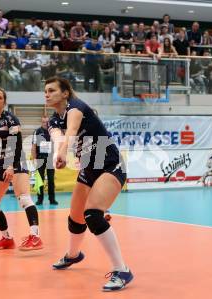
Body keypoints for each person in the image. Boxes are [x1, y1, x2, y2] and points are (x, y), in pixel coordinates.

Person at [44, 77, 133, 291]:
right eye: (45, 91)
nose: (47, 94)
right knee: (75, 217)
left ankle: (122, 270)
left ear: (65, 93)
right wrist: (59, 152)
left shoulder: (77, 106)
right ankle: (73, 255)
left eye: (52, 90)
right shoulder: (54, 119)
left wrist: (64, 152)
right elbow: (58, 136)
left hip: (111, 166)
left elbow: (72, 132)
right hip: (88, 170)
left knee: (92, 214)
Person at [0, 87, 43, 251]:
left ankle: (35, 237)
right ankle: (7, 238)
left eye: (0, 97)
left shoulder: (10, 119)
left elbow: (17, 144)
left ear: (4, 102)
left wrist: (11, 166)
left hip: (16, 159)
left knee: (24, 198)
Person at [31, 116, 57, 205]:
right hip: (40, 159)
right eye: (43, 122)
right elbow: (34, 146)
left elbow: (57, 144)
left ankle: (52, 199)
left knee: (51, 180)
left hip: (51, 159)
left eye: (47, 122)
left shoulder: (53, 132)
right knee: (40, 180)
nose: (45, 123)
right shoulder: (37, 132)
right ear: (41, 122)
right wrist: (34, 159)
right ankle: (40, 199)